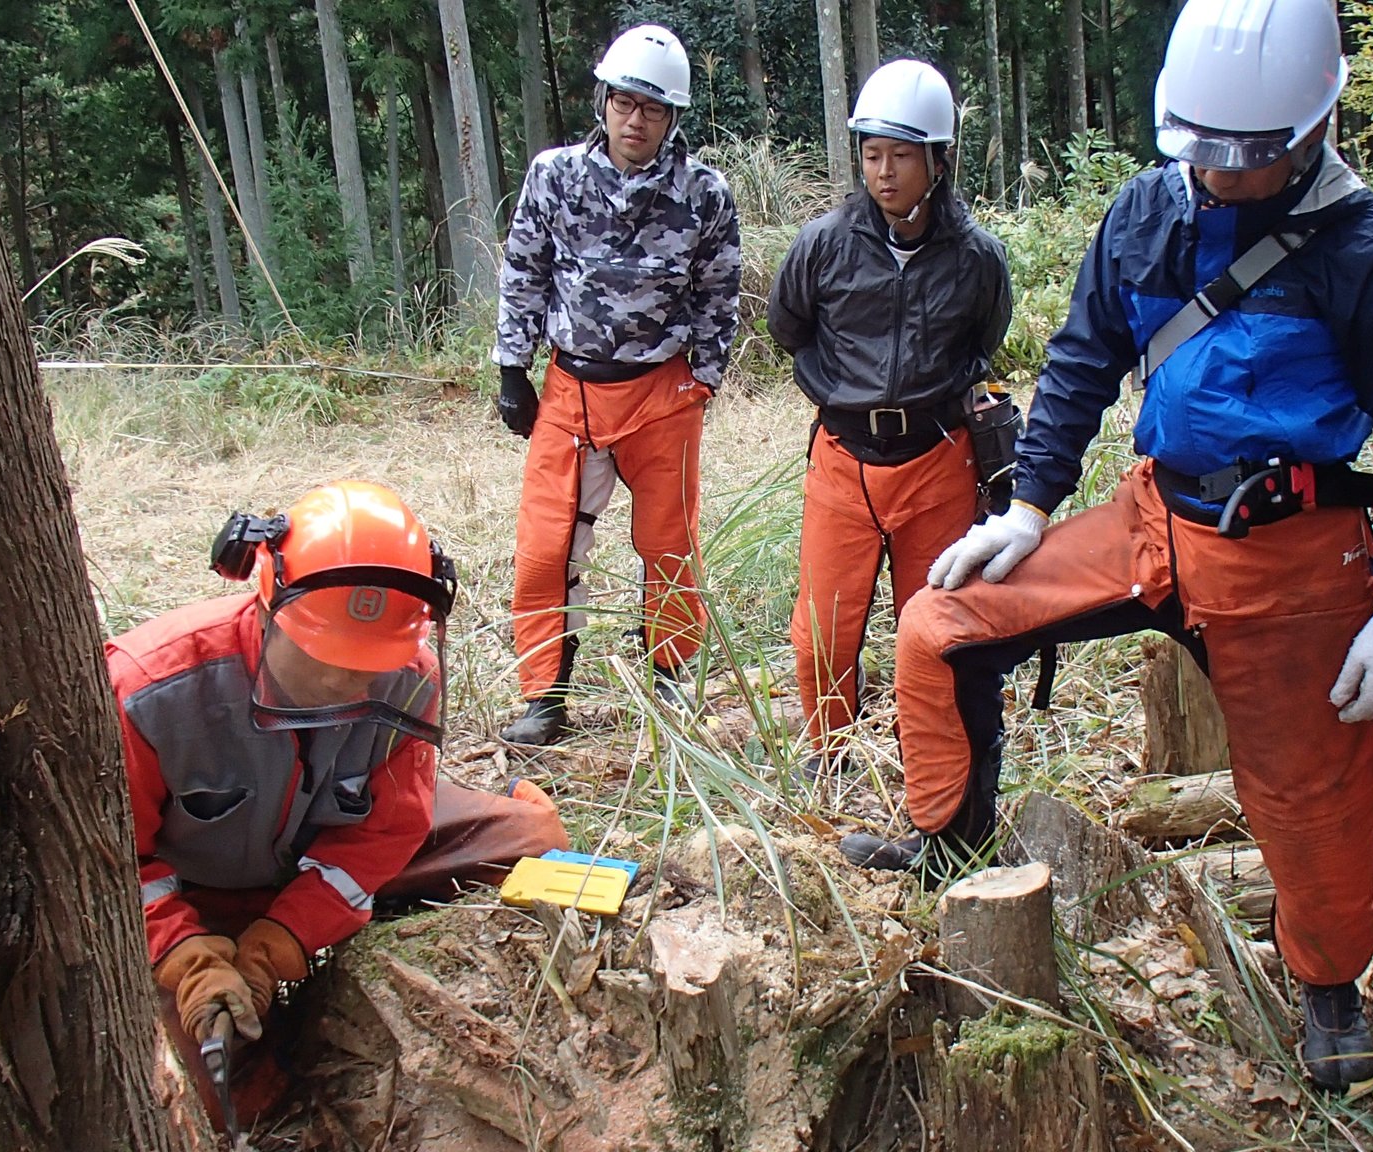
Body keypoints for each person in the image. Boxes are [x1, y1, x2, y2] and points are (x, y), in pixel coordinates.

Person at [841, 0, 1373, 1092]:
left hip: (1286, 554)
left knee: (1310, 790)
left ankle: (1328, 991)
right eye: (1206, 153)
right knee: (938, 626)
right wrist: (1027, 509)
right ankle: (949, 840)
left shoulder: (1368, 254)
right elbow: (1084, 356)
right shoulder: (1145, 209)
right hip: (1150, 519)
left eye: (1249, 156)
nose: (1223, 176)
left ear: (1312, 128)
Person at [111, 480, 570, 1120]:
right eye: (321, 655)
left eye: (368, 663)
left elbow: (385, 832)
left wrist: (280, 941)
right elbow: (114, 867)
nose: (343, 681)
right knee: (222, 1096)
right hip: (197, 897)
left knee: (532, 844)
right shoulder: (146, 691)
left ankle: (507, 810)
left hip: (321, 853)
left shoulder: (408, 679)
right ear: (268, 604)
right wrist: (188, 961)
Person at [492, 23, 743, 746]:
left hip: (661, 389)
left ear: (673, 119)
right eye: (625, 103)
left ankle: (670, 681)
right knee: (546, 547)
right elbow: (525, 270)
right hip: (572, 386)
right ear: (603, 101)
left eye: (653, 109)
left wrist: (704, 376)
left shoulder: (703, 194)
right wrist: (513, 368)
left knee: (669, 543)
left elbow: (719, 290)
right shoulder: (555, 175)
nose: (636, 121)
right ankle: (545, 694)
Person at [767, 59, 1013, 777]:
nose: (884, 172)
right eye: (872, 154)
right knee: (821, 635)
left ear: (939, 161)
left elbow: (984, 341)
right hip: (844, 457)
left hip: (938, 459)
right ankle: (828, 754)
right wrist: (840, 385)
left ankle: (931, 763)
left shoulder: (976, 259)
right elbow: (789, 325)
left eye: (901, 156)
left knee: (933, 624)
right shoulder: (824, 244)